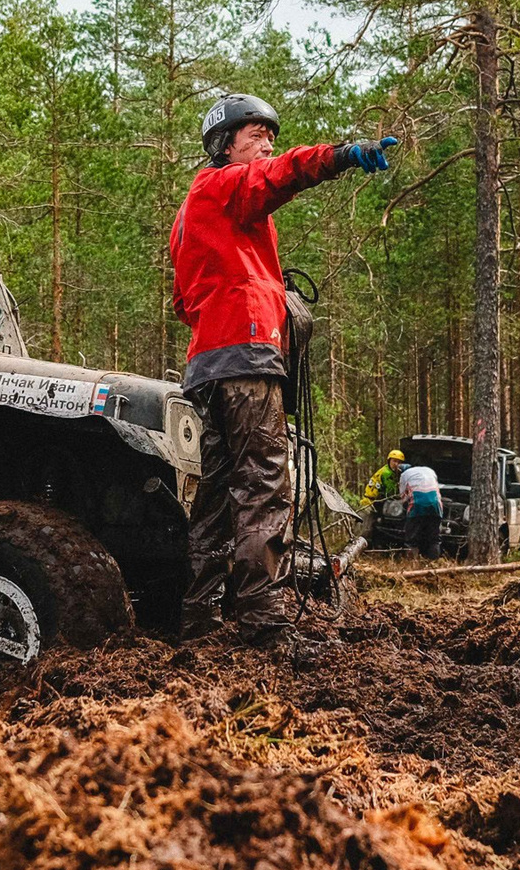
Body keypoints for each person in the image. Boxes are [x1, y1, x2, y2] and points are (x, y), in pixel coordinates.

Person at [171, 92, 395, 650]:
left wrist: (255, 294)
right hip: (247, 357)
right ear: (224, 146)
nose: (267, 144)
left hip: (209, 365)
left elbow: (183, 300)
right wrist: (342, 155)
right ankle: (265, 624)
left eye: (271, 136)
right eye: (255, 136)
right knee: (265, 486)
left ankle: (200, 618)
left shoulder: (194, 212)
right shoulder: (228, 185)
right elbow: (282, 174)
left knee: (218, 496)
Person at [397, 460, 444, 557]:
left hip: (417, 505)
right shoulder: (430, 471)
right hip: (436, 505)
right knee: (434, 539)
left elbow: (402, 495)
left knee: (411, 539)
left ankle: (411, 562)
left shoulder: (404, 474)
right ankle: (434, 562)